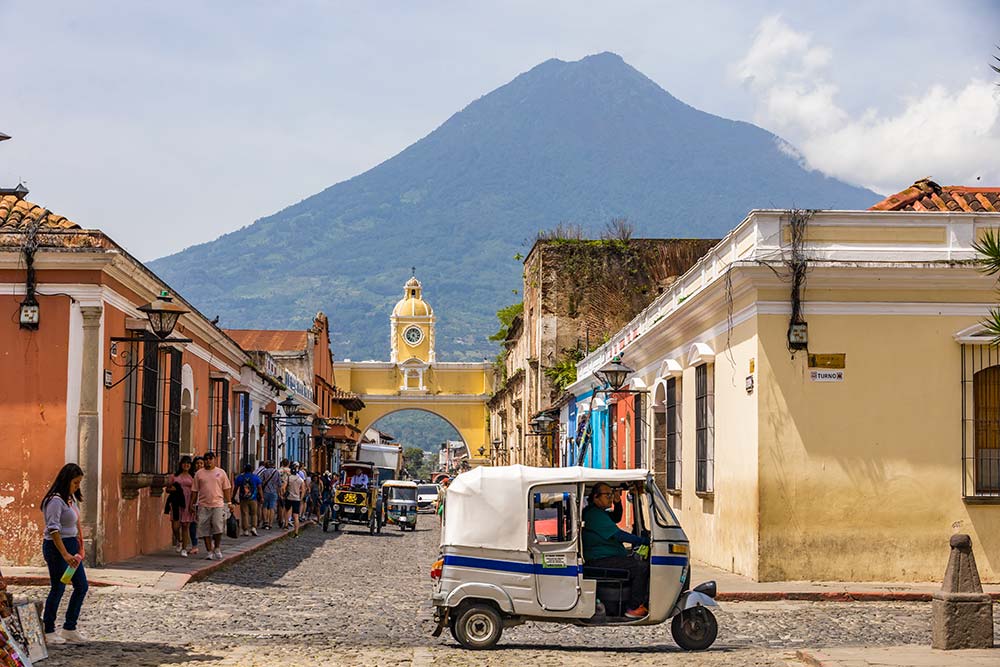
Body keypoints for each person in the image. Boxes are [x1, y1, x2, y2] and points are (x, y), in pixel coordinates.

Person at [582, 482, 650, 619]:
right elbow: (619, 535)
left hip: (606, 556)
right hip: (600, 559)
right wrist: (643, 541)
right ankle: (634, 607)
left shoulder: (598, 512)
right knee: (640, 567)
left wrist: (618, 502)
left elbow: (616, 517)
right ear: (596, 497)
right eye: (607, 495)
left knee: (634, 561)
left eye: (611, 495)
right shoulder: (594, 514)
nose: (610, 498)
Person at [40, 463, 89, 645]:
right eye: (75, 483)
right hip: (57, 547)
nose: (77, 486)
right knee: (58, 587)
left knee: (81, 586)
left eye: (79, 483)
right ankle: (49, 629)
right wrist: (65, 554)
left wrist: (80, 547)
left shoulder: (70, 499)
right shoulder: (54, 501)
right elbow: (53, 529)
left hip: (72, 545)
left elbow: (76, 524)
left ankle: (69, 627)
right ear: (66, 480)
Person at [190, 452, 235, 560]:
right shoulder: (199, 474)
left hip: (218, 504)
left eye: (210, 459)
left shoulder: (221, 472)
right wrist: (192, 503)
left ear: (214, 459)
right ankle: (209, 550)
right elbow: (195, 490)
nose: (208, 461)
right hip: (203, 504)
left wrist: (229, 502)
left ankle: (217, 547)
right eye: (206, 459)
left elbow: (226, 488)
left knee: (217, 527)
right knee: (204, 529)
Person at [166, 456, 195, 556]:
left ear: (190, 465)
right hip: (176, 502)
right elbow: (167, 489)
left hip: (187, 502)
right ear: (181, 464)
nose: (186, 465)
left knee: (186, 525)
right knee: (175, 526)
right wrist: (172, 489)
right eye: (184, 463)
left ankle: (184, 548)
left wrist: (192, 503)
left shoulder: (193, 477)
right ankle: (179, 540)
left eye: (188, 463)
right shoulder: (174, 476)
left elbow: (195, 491)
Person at [234, 464, 262, 537]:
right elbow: (259, 488)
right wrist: (262, 497)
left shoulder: (240, 477)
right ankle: (253, 527)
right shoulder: (255, 477)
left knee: (244, 514)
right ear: (252, 470)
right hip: (253, 498)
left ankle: (245, 530)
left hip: (243, 498)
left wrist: (233, 496)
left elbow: (236, 488)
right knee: (254, 514)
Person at [282, 462, 305, 537]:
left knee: (286, 511)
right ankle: (296, 532)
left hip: (289, 498)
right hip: (296, 499)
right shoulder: (300, 480)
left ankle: (286, 524)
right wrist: (301, 498)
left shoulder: (288, 478)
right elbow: (303, 490)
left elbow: (283, 487)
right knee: (296, 516)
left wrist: (283, 494)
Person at [187, 456, 204, 555]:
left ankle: (211, 544)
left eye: (201, 463)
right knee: (193, 524)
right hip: (194, 502)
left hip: (205, 502)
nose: (199, 465)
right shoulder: (191, 476)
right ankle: (194, 545)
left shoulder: (207, 475)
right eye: (197, 463)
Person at [259, 460, 280, 530]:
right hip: (274, 492)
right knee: (272, 508)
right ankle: (270, 523)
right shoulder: (277, 472)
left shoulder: (264, 472)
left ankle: (265, 522)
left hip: (265, 492)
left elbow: (260, 482)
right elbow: (279, 484)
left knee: (264, 507)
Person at [277, 459, 292, 529]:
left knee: (280, 505)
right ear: (288, 463)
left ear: (282, 463)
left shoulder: (278, 470)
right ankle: (287, 520)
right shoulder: (290, 471)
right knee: (288, 506)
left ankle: (280, 519)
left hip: (280, 488)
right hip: (288, 489)